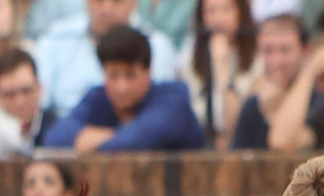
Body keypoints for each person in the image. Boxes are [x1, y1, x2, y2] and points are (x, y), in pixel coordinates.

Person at [33, 0, 179, 113]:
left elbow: (162, 108)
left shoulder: (157, 46)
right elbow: (40, 104)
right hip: (67, 129)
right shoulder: (55, 40)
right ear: (86, 0)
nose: (107, 9)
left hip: (136, 130)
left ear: (134, 1)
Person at [43, 25, 206, 152]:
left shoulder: (173, 98)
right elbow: (55, 138)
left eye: (130, 75)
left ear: (148, 71)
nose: (122, 87)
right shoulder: (98, 98)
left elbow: (133, 142)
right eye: (113, 75)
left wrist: (93, 140)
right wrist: (115, 138)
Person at [181, 0, 258, 145]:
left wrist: (222, 71)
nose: (219, 18)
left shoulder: (258, 58)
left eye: (226, 9)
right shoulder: (189, 56)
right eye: (211, 11)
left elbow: (235, 125)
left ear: (241, 13)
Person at [229, 13, 309, 148]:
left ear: (305, 51)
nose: (276, 60)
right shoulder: (252, 106)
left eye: (285, 50)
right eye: (268, 51)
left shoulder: (320, 99)